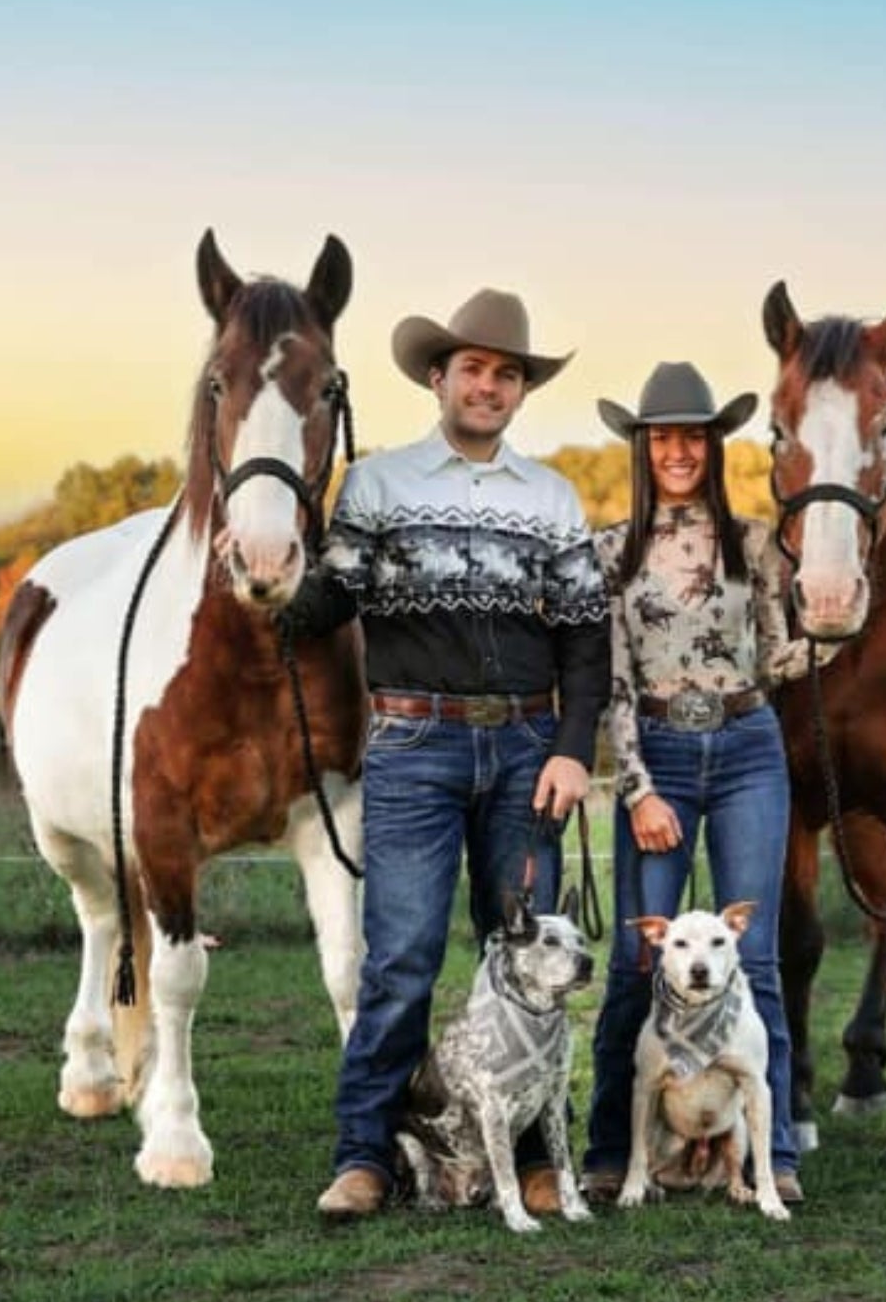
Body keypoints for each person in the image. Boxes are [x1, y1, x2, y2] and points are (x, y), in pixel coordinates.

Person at [287, 287, 611, 1221]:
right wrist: (277, 567)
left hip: (524, 749)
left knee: (529, 950)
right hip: (414, 745)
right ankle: (366, 1157)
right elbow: (328, 607)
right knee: (403, 957)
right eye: (473, 368)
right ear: (440, 377)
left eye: (507, 374)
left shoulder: (551, 499)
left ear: (520, 392)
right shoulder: (380, 485)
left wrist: (571, 748)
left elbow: (588, 637)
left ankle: (535, 1158)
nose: (489, 386)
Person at [579, 361, 835, 1206]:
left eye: (695, 435)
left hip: (748, 748)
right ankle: (614, 1146)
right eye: (665, 437)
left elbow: (778, 655)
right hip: (657, 751)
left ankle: (776, 1155)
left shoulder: (753, 542)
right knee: (634, 957)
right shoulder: (611, 551)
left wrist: (837, 633)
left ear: (714, 445)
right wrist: (639, 789)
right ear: (644, 448)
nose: (680, 451)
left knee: (753, 958)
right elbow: (613, 682)